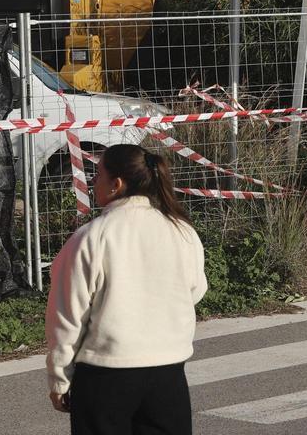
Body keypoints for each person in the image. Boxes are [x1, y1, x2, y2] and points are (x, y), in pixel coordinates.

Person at [46, 145, 207, 435]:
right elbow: (195, 291)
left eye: (97, 174)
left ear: (117, 184)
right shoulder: (182, 231)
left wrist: (60, 378)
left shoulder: (92, 237)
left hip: (105, 376)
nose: (93, 182)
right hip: (168, 373)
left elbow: (67, 314)